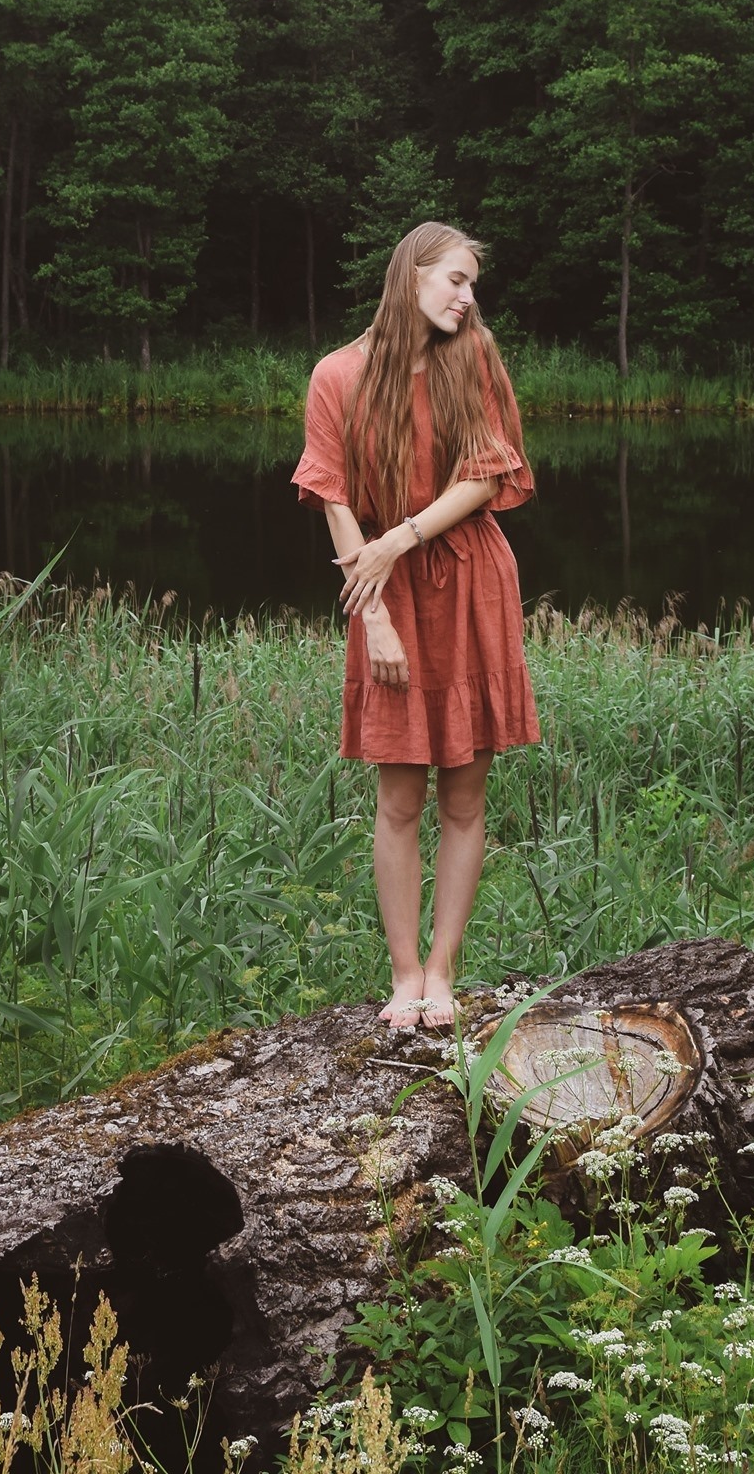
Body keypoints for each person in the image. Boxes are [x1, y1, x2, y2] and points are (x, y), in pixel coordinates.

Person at [291, 222, 540, 1028]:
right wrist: (375, 618)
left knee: (464, 795)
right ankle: (403, 976)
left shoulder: (474, 356)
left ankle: (442, 972)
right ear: (411, 275)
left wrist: (398, 538)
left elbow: (487, 474)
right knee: (398, 796)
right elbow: (331, 494)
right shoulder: (337, 374)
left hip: (470, 581)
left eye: (472, 285)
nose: (466, 298)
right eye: (455, 280)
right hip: (383, 593)